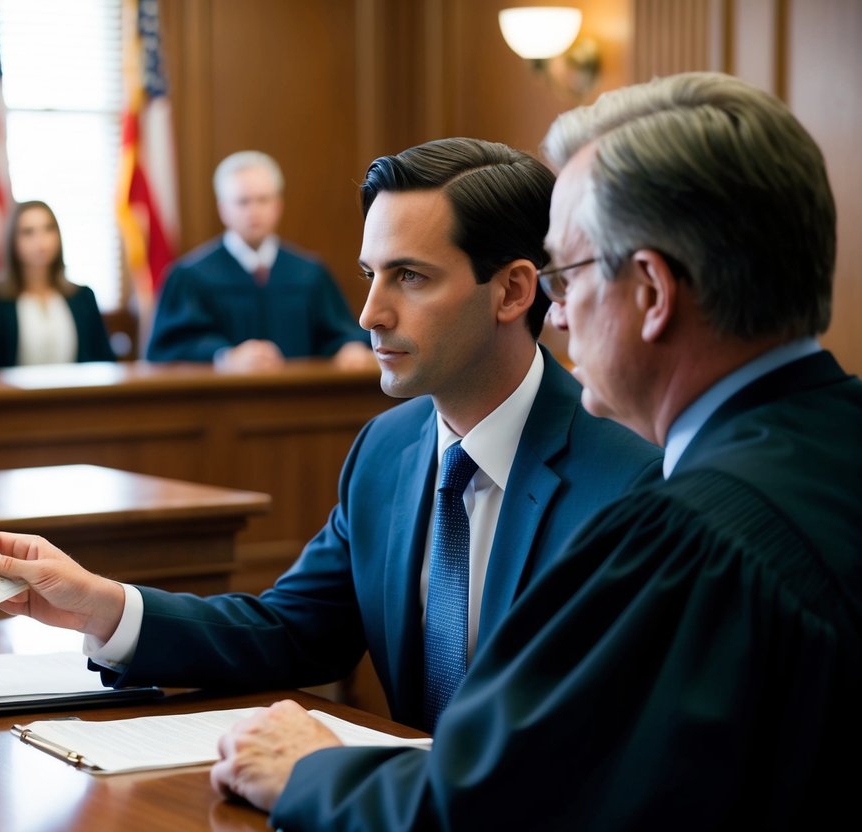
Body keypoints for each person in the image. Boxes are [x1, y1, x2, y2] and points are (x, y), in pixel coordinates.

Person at [204, 73, 862, 829]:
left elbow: (504, 810)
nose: (555, 317)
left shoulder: (690, 536)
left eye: (567, 275)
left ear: (650, 292)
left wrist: (306, 770)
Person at [0, 139, 659, 731]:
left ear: (512, 292)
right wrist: (101, 607)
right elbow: (291, 633)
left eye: (409, 277)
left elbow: (588, 749)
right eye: (370, 275)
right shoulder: (385, 453)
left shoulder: (629, 483)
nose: (369, 313)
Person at [146, 151, 375, 370]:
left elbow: (336, 334)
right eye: (243, 202)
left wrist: (349, 347)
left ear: (278, 206)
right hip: (219, 406)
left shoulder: (309, 273)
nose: (253, 211)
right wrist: (223, 356)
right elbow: (167, 349)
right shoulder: (190, 276)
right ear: (223, 209)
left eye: (263, 200)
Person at [0, 200, 115, 368]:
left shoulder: (82, 297)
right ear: (13, 240)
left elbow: (104, 360)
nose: (40, 241)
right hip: (9, 394)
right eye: (28, 232)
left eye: (48, 229)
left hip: (74, 393)